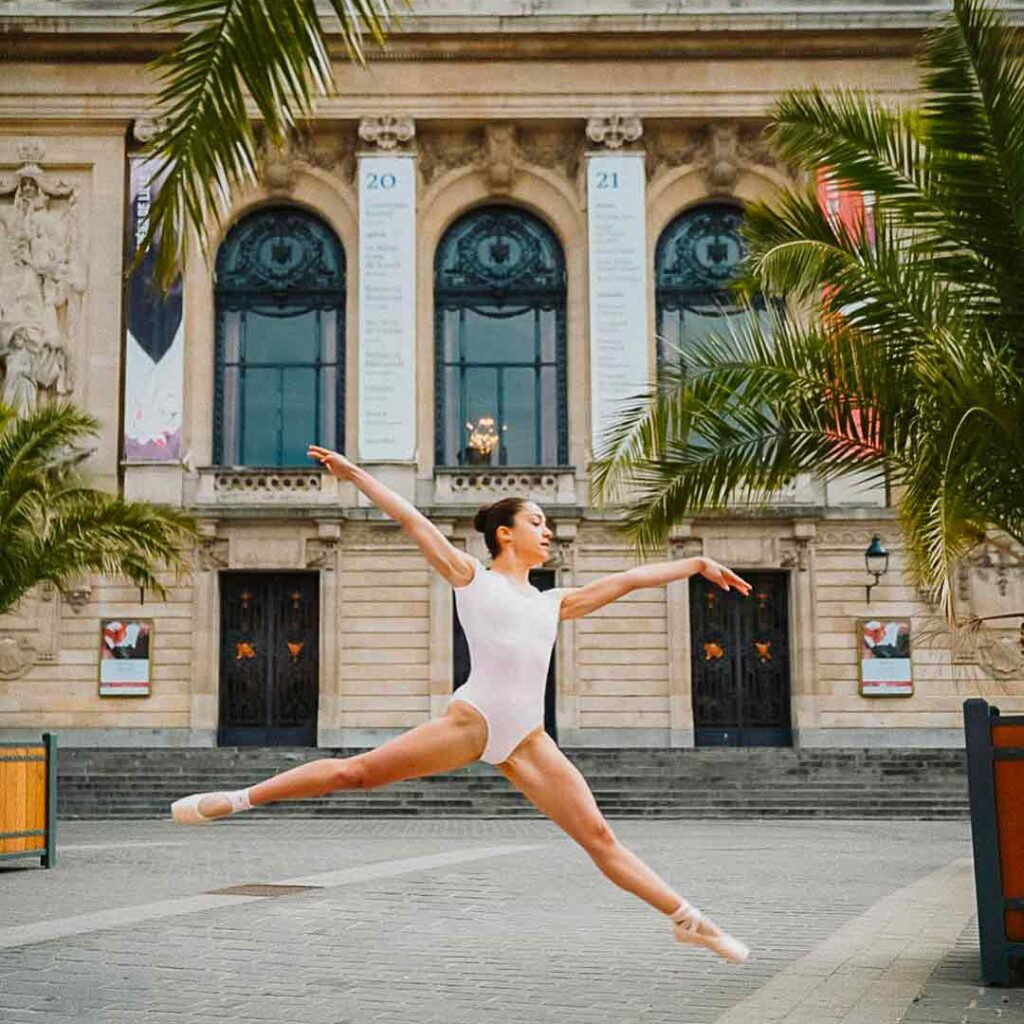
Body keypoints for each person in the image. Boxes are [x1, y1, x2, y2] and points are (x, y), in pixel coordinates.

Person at [172, 444, 754, 963]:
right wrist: (355, 476)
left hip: (527, 738)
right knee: (357, 773)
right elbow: (411, 519)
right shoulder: (473, 578)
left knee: (599, 838)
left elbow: (626, 580)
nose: (547, 531)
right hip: (473, 721)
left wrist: (696, 564)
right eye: (537, 522)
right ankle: (240, 798)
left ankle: (688, 920)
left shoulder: (554, 601)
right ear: (506, 533)